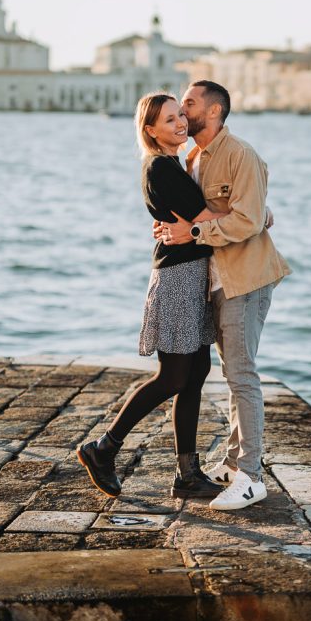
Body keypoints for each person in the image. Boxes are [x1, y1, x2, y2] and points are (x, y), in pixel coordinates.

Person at [154, 80, 290, 511]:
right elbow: (237, 212)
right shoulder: (193, 158)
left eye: (189, 104)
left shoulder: (239, 154)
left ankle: (251, 476)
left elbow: (248, 220)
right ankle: (234, 462)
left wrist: (193, 230)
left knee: (242, 375)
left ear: (212, 112)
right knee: (232, 375)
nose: (182, 110)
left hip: (244, 279)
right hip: (213, 280)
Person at [77, 92, 220, 501]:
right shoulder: (160, 167)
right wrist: (255, 215)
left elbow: (201, 222)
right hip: (177, 279)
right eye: (169, 119)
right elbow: (206, 219)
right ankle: (103, 448)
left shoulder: (174, 164)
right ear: (150, 131)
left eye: (180, 115)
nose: (179, 123)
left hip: (191, 276)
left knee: (196, 375)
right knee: (174, 377)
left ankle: (187, 474)